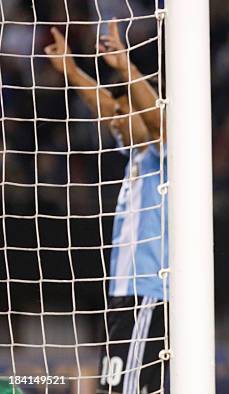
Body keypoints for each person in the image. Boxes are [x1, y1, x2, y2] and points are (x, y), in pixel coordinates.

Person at [45, 21, 169, 394]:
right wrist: (72, 71)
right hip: (126, 292)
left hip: (148, 291)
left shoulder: (168, 155)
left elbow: (157, 120)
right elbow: (105, 105)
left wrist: (126, 67)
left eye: (124, 111)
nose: (114, 118)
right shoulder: (136, 154)